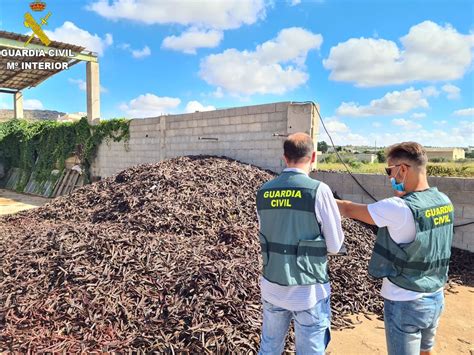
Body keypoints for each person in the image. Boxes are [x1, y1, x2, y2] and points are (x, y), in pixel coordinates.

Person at [336, 142, 454, 355]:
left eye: (389, 171)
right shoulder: (444, 201)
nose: (389, 177)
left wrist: (315, 196)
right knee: (426, 351)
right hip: (436, 296)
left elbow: (346, 208)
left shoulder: (397, 207)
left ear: (403, 169)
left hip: (405, 301)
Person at [256, 132, 344, 354]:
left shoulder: (264, 192)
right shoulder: (318, 190)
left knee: (269, 348)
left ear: (285, 158)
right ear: (313, 156)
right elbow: (334, 245)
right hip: (308, 292)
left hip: (272, 286)